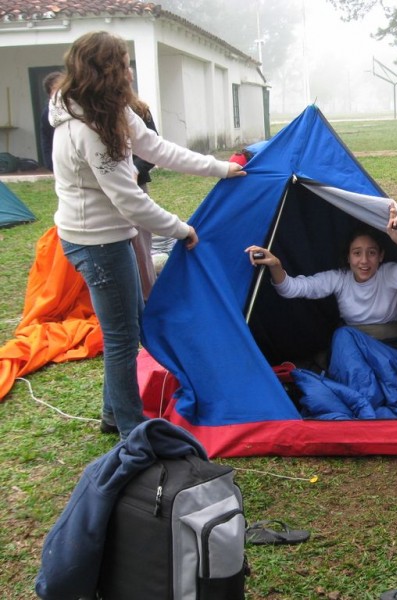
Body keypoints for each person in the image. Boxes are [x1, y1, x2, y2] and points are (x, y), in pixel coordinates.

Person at [51, 31, 246, 440]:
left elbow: (157, 149)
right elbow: (130, 201)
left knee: (128, 326)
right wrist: (181, 230)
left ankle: (113, 413)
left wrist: (218, 168)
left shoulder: (112, 111)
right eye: (123, 66)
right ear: (105, 72)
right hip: (96, 243)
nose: (129, 73)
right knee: (123, 337)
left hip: (108, 236)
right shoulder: (87, 130)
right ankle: (131, 431)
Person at [245, 204, 397, 419]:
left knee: (344, 335)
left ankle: (366, 410)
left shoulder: (389, 274)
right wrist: (275, 265)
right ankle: (372, 411)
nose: (364, 261)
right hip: (358, 368)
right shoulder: (340, 278)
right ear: (348, 257)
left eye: (371, 253)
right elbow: (293, 288)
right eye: (357, 253)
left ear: (381, 256)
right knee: (346, 347)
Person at [129, 94, 159, 300]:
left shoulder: (140, 111)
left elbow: (154, 149)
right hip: (105, 194)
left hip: (136, 186)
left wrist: (135, 170)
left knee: (141, 247)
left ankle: (148, 297)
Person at [39, 71, 64, 171]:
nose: (60, 91)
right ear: (50, 93)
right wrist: (50, 163)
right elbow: (46, 139)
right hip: (59, 159)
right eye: (56, 88)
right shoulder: (48, 113)